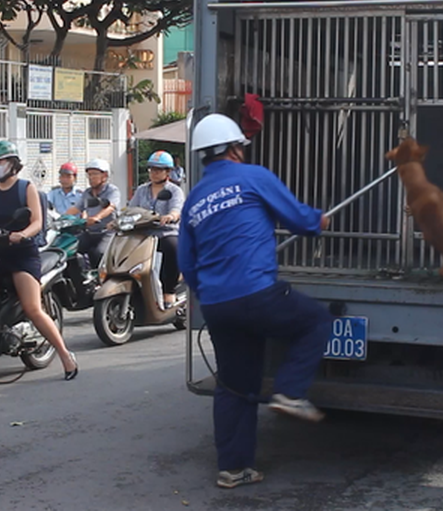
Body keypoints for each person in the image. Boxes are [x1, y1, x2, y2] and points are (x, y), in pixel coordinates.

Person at [177, 113, 333, 490]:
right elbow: (299, 219)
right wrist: (318, 221)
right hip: (257, 294)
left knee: (234, 384)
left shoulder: (194, 198)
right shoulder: (253, 177)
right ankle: (291, 392)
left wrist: (211, 293)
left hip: (216, 304)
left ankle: (233, 468)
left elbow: (186, 261)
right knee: (316, 321)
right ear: (234, 149)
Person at [0, 140, 78, 380]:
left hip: (23, 253)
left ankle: (65, 355)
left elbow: (37, 222)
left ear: (12, 163)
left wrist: (22, 235)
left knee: (32, 308)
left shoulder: (25, 187)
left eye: (0, 161)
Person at [128, 150, 185, 307]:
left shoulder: (174, 191)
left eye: (158, 169)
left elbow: (176, 209)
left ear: (168, 172)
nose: (154, 173)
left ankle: (169, 291)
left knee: (172, 248)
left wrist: (171, 216)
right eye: (152, 169)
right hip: (144, 234)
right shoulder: (141, 190)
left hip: (166, 233)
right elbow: (132, 208)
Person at [65, 158, 120, 268]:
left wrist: (96, 217)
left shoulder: (112, 190)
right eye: (89, 175)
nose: (91, 178)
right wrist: (60, 218)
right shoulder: (87, 193)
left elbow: (110, 207)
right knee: (69, 249)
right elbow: (75, 208)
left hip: (107, 231)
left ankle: (101, 280)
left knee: (99, 253)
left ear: (104, 175)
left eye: (94, 174)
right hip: (90, 232)